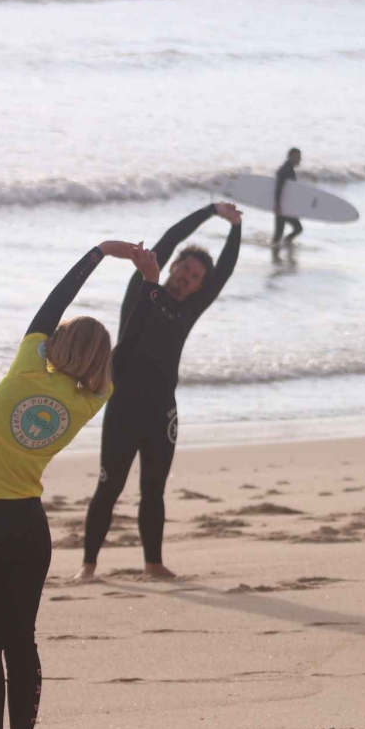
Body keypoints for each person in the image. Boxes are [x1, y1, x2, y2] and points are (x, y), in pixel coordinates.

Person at [0, 239, 144, 729]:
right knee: (20, 641)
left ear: (59, 344)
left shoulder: (27, 369)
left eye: (57, 334)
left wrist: (98, 254)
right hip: (25, 527)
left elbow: (53, 302)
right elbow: (134, 341)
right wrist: (145, 282)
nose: (49, 333)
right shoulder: (90, 400)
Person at [77, 202, 244, 582]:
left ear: (200, 285)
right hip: (122, 407)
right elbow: (169, 240)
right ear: (170, 267)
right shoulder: (142, 288)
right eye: (184, 268)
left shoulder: (190, 309)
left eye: (196, 275)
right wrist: (210, 210)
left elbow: (227, 269)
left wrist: (235, 228)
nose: (187, 275)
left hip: (162, 413)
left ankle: (153, 564)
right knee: (109, 487)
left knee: (153, 489)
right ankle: (87, 566)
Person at [272, 147, 303, 261]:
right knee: (295, 229)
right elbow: (278, 188)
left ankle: (279, 250)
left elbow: (290, 192)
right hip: (282, 207)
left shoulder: (289, 169)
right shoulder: (285, 170)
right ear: (291, 156)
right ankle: (279, 249)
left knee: (295, 229)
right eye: (298, 157)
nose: (300, 159)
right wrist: (277, 205)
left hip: (286, 207)